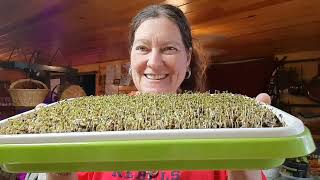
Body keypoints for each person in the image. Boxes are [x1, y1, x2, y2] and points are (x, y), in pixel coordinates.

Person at [30, 4, 271, 180]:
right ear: (131, 56)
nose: (154, 62)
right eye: (143, 48)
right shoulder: (95, 121)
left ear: (187, 58)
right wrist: (57, 165)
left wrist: (243, 163)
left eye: (168, 48)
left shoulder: (223, 126)